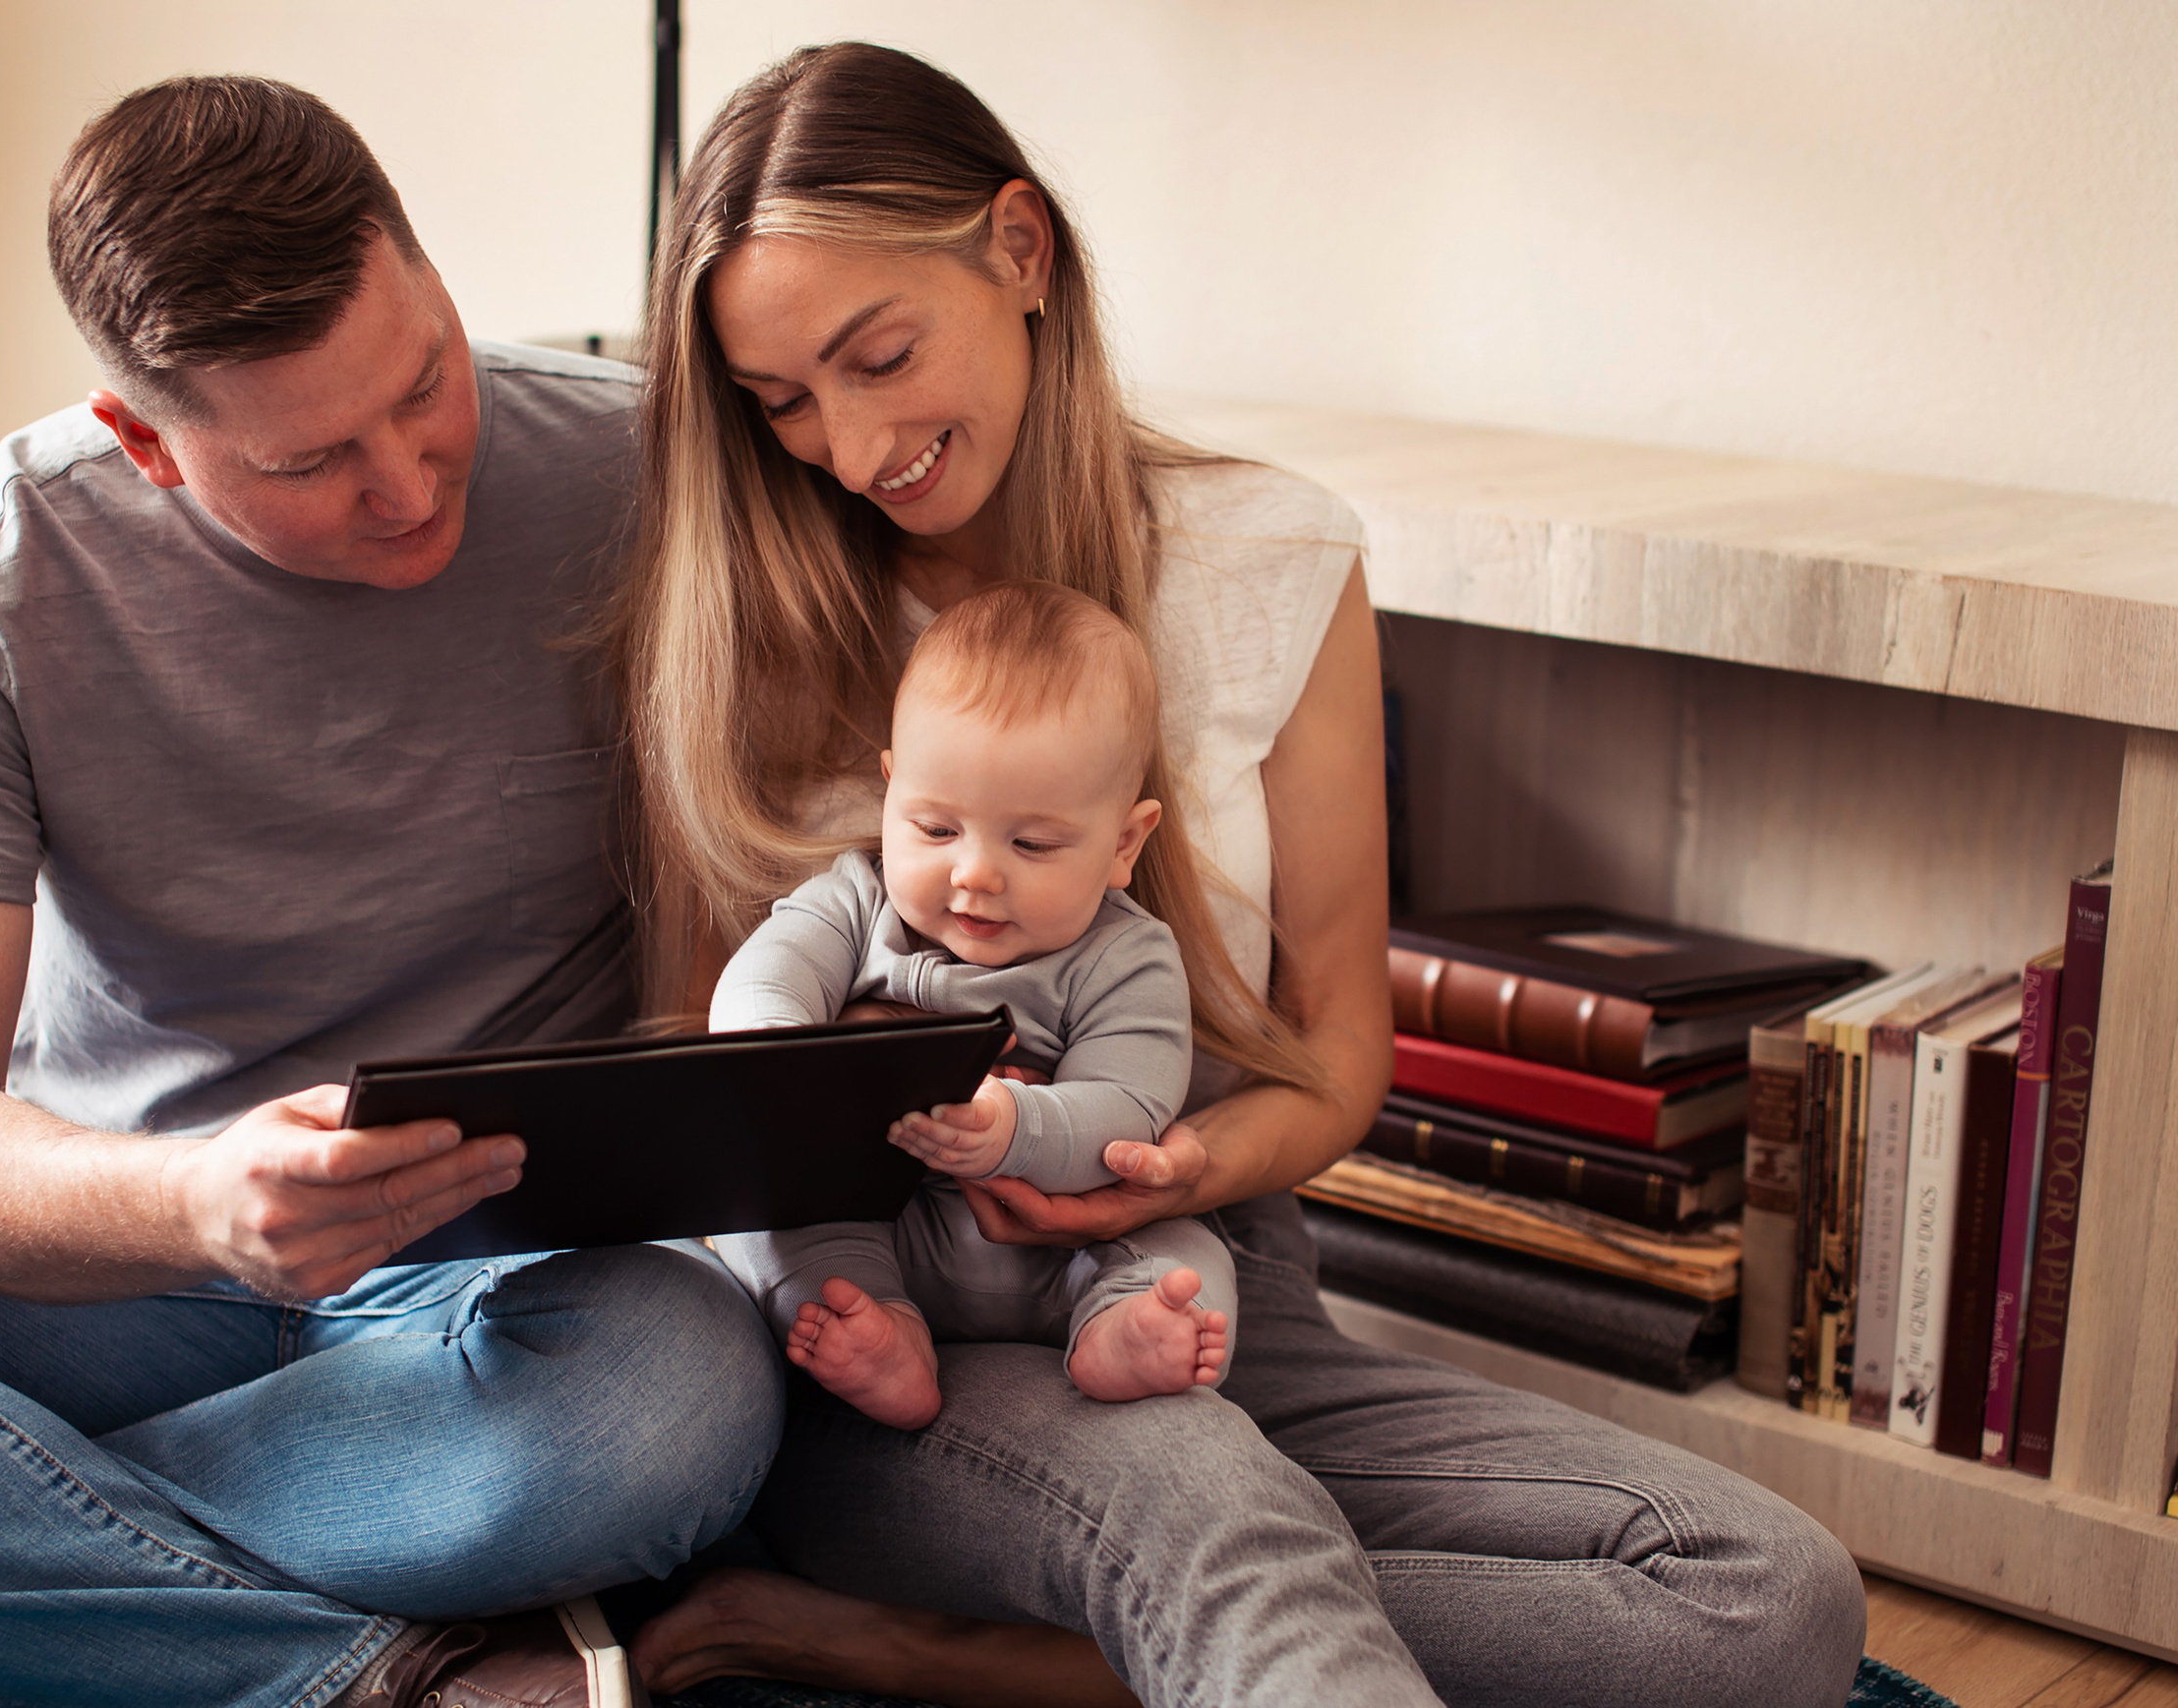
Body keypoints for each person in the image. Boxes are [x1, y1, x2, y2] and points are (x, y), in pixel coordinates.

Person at [613, 41, 1869, 1708]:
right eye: (781, 403)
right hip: (879, 1326)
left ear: (1020, 251)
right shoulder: (750, 617)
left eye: (879, 356)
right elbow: (681, 1055)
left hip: (1194, 1277)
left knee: (1769, 1599)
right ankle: (1146, 1620)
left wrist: (1157, 1174)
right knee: (1213, 1526)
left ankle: (978, 1665)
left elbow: (1343, 1046)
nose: (846, 449)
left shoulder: (1275, 559)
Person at [0, 77, 782, 1708]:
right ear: (146, 442)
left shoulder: (650, 481)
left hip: (509, 1292)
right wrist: (193, 1203)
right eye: (316, 455)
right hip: (112, 1252)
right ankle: (372, 1681)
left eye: (426, 382)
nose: (407, 481)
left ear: (432, 278)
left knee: (679, 1406)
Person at [713, 581, 1279, 1425]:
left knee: (1182, 1253)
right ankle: (882, 1332)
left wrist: (1014, 1127)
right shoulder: (857, 904)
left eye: (1032, 842)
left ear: (1124, 842)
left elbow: (1129, 1107)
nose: (973, 872)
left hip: (1070, 1250)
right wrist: (776, 1054)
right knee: (775, 1231)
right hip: (889, 1227)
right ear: (891, 791)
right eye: (936, 829)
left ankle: (1122, 1332)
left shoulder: (1127, 955)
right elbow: (766, 977)